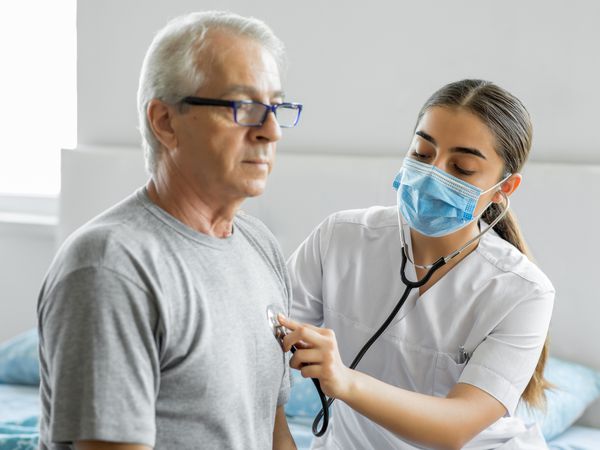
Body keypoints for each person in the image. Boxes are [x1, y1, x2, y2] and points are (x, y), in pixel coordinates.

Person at [37, 11, 302, 450]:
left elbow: (272, 431)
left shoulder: (260, 246)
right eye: (244, 107)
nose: (271, 131)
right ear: (165, 121)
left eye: (275, 107)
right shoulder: (111, 267)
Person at [279, 79, 554, 449]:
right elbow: (261, 350)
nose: (433, 174)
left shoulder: (524, 292)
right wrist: (280, 439)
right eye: (422, 154)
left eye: (461, 167)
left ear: (505, 187)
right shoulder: (341, 237)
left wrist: (344, 380)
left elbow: (456, 427)